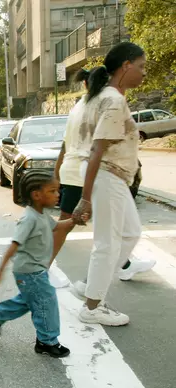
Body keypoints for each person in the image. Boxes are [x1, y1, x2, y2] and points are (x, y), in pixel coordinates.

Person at [52, 68, 155, 281]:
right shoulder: (101, 105)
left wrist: (56, 173)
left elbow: (64, 145)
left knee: (110, 225)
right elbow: (99, 145)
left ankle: (123, 265)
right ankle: (42, 270)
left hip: (74, 169)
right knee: (68, 224)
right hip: (88, 172)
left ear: (85, 85)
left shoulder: (79, 106)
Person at [71, 42, 147, 326]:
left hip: (107, 174)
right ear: (125, 66)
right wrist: (85, 198)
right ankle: (92, 307)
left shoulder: (96, 97)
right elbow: (96, 149)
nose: (144, 73)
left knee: (130, 233)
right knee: (108, 242)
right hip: (105, 174)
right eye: (140, 66)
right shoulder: (112, 100)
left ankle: (91, 285)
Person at [0, 170, 83, 358]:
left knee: (31, 299)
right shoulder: (29, 219)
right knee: (46, 302)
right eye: (53, 191)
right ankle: (47, 342)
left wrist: (75, 220)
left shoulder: (41, 214)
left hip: (35, 270)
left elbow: (58, 227)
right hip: (30, 271)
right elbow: (14, 244)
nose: (58, 194)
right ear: (37, 195)